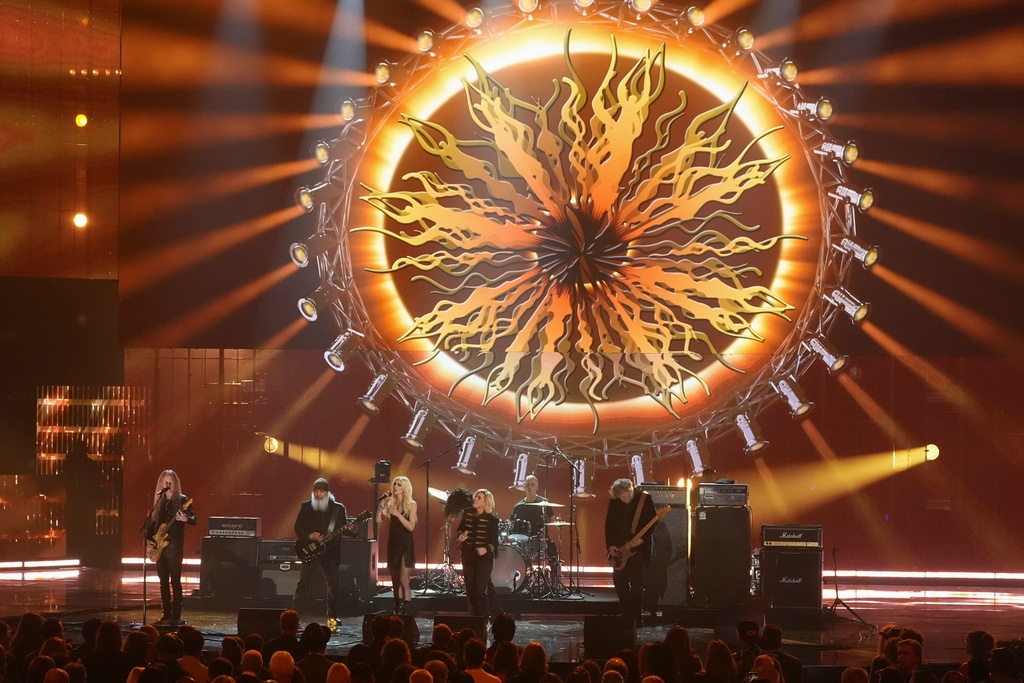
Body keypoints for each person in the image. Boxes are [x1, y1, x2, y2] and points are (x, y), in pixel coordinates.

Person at [293, 478, 347, 629]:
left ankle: (332, 618)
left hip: (330, 552)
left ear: (327, 493)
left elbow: (347, 529)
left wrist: (354, 529)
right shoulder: (306, 507)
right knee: (303, 583)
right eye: (316, 491)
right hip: (310, 549)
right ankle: (294, 617)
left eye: (321, 491)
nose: (318, 494)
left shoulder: (338, 509)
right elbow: (297, 527)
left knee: (333, 585)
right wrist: (309, 536)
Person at [144, 470, 197, 625]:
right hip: (159, 547)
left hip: (174, 547)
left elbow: (194, 519)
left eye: (170, 482)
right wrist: (148, 539)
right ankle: (166, 614)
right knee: (163, 582)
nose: (168, 485)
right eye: (165, 482)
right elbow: (150, 524)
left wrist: (185, 518)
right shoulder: (159, 501)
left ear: (175, 483)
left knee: (175, 581)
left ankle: (176, 615)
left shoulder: (182, 500)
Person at [604, 478, 656, 623]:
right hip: (619, 548)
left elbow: (652, 521)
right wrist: (610, 544)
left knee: (635, 583)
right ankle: (626, 612)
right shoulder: (615, 501)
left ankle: (636, 616)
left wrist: (643, 539)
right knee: (619, 581)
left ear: (630, 489)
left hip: (637, 549)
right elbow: (609, 524)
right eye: (619, 497)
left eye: (624, 495)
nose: (622, 498)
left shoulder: (644, 498)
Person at [376, 476, 418, 615]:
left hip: (405, 544)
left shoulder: (411, 504)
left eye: (399, 485)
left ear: (405, 487)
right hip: (393, 543)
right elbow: (378, 520)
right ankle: (397, 608)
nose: (395, 487)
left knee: (403, 579)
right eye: (394, 484)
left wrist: (397, 514)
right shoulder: (390, 503)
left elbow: (411, 527)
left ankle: (407, 611)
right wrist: (382, 504)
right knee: (395, 581)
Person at [457, 489, 500, 619]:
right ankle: (473, 618)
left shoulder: (492, 520)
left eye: (479, 498)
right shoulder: (468, 512)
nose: (475, 499)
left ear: (486, 502)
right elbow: (461, 528)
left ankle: (485, 617)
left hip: (484, 559)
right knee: (470, 590)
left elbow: (494, 543)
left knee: (480, 591)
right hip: (468, 556)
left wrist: (486, 549)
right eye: (475, 497)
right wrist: (460, 535)